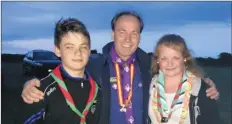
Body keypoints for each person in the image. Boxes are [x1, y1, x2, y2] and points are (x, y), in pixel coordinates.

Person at [21, 11, 219, 124]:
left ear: (140, 37)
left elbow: (177, 70)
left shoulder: (149, 64)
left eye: (134, 33)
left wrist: (204, 84)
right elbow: (67, 70)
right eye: (122, 32)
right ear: (112, 34)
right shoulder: (94, 63)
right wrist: (32, 84)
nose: (128, 39)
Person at [19, 18, 101, 124]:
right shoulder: (40, 91)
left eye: (83, 47)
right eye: (70, 47)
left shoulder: (98, 90)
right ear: (57, 50)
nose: (78, 53)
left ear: (89, 51)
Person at [148, 34, 220, 124]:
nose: (170, 64)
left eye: (176, 58)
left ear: (184, 59)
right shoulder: (149, 85)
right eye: (164, 58)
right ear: (157, 60)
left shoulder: (200, 89)